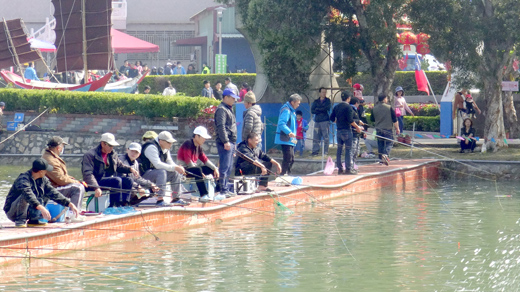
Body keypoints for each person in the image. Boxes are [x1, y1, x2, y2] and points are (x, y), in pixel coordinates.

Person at [4, 158, 80, 227]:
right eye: (45, 170)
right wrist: (42, 208)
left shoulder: (43, 180)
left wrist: (69, 203)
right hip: (13, 212)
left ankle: (34, 219)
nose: (47, 172)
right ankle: (20, 220)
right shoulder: (23, 179)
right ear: (40, 171)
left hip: (29, 210)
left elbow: (53, 192)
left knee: (47, 193)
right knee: (26, 196)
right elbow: (28, 195)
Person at [82, 133, 139, 207]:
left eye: (113, 146)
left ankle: (125, 204)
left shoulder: (112, 154)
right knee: (116, 180)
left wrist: (131, 169)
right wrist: (96, 187)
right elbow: (88, 174)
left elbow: (119, 166)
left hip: (108, 180)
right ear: (103, 144)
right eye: (110, 145)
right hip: (95, 182)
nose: (112, 148)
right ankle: (114, 206)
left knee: (129, 180)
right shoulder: (90, 155)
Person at [139, 131, 189, 206]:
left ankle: (176, 198)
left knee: (175, 172)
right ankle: (160, 200)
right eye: (169, 142)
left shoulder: (165, 148)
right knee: (161, 172)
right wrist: (174, 167)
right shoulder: (151, 147)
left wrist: (178, 168)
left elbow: (169, 161)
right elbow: (157, 165)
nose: (171, 145)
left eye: (171, 142)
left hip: (155, 174)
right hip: (144, 175)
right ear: (161, 141)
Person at [42, 136, 86, 213]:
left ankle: (74, 211)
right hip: (50, 190)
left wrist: (74, 180)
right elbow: (60, 179)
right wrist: (76, 182)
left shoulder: (51, 157)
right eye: (62, 146)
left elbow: (61, 176)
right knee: (78, 188)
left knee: (78, 185)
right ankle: (73, 214)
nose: (63, 148)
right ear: (58, 147)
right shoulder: (50, 160)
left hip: (54, 187)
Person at [177, 126, 219, 202]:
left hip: (194, 168)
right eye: (203, 137)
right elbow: (188, 161)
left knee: (210, 169)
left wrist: (215, 168)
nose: (204, 140)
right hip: (184, 170)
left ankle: (217, 192)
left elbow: (205, 160)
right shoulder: (188, 143)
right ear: (196, 136)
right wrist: (200, 172)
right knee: (197, 170)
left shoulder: (198, 147)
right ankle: (203, 194)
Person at [214, 88, 240, 200]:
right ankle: (222, 190)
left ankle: (225, 188)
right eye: (232, 98)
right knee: (224, 167)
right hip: (226, 142)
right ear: (225, 97)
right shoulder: (221, 110)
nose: (234, 100)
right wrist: (225, 141)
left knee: (229, 166)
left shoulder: (228, 109)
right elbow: (221, 126)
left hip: (231, 142)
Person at [330, 91, 362, 175]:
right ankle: (348, 169)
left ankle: (340, 169)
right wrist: (358, 127)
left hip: (339, 130)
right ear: (348, 98)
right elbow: (350, 120)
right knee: (348, 149)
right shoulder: (348, 107)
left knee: (339, 150)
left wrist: (337, 121)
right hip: (347, 130)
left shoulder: (336, 107)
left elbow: (331, 118)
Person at [275, 93, 301, 175]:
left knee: (291, 159)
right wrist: (289, 132)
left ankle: (287, 173)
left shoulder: (292, 111)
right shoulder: (286, 110)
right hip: (285, 138)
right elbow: (281, 124)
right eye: (298, 103)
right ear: (293, 102)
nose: (298, 105)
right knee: (288, 158)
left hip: (290, 140)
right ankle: (283, 175)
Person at [370, 95, 400, 165]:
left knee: (380, 144)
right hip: (387, 128)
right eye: (386, 98)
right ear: (384, 99)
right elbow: (394, 119)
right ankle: (385, 155)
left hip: (378, 129)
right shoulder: (389, 108)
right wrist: (397, 128)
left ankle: (380, 159)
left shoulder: (374, 108)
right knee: (389, 142)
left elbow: (372, 119)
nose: (387, 99)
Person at [311, 87, 331, 156]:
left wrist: (318, 109)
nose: (324, 93)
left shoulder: (328, 101)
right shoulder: (316, 101)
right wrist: (321, 109)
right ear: (319, 93)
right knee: (316, 136)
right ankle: (315, 151)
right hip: (317, 121)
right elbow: (312, 110)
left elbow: (327, 108)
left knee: (326, 137)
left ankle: (325, 152)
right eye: (322, 92)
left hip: (325, 121)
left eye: (325, 92)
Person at [349, 97, 365, 171]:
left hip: (357, 132)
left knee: (356, 151)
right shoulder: (351, 109)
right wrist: (358, 122)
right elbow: (350, 120)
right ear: (356, 103)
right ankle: (350, 166)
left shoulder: (355, 110)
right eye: (358, 103)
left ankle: (353, 165)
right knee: (353, 150)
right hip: (353, 132)